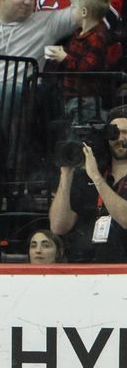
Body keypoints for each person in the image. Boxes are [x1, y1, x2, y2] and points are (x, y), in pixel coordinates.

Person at [49, 106, 127, 262]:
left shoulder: (94, 174)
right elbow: (58, 226)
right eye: (114, 132)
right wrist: (66, 174)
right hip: (83, 271)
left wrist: (97, 178)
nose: (119, 138)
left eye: (125, 132)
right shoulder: (87, 174)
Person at [43, 0, 111, 122]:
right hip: (70, 97)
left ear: (84, 12)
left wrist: (65, 58)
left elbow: (87, 67)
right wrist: (56, 56)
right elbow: (71, 59)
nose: (72, 11)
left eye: (74, 7)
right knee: (69, 132)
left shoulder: (97, 37)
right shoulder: (78, 34)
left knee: (79, 136)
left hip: (86, 100)